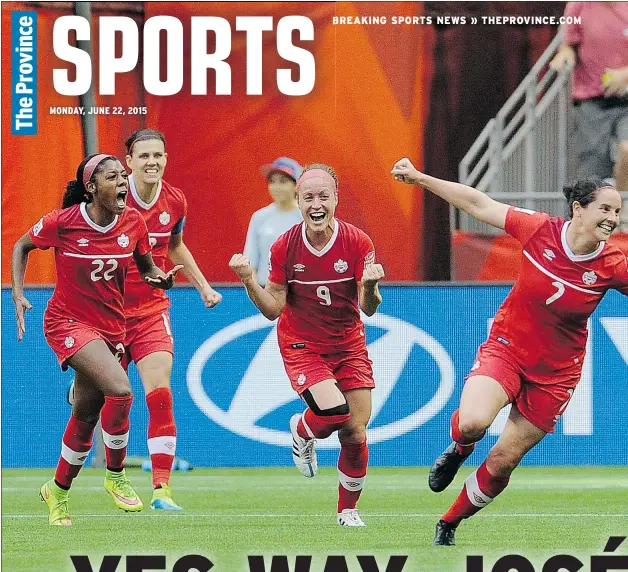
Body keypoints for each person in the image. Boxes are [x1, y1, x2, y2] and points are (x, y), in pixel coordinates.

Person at [391, 157, 628, 546]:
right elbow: (477, 203)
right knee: (472, 422)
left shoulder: (612, 264)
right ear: (578, 209)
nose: (612, 218)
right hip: (508, 348)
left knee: (504, 459)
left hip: (556, 373)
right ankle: (459, 448)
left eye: (618, 211)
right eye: (605, 208)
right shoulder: (539, 230)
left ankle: (448, 523)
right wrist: (420, 177)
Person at [11, 154, 182, 526]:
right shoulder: (64, 222)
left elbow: (146, 265)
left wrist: (159, 277)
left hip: (110, 327)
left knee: (86, 414)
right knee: (121, 390)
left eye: (123, 176)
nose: (122, 182)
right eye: (112, 177)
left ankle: (56, 493)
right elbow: (21, 246)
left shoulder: (133, 222)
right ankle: (116, 474)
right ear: (91, 187)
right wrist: (18, 292)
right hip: (67, 322)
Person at [228, 164, 385, 527]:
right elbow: (273, 310)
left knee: (356, 432)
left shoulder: (358, 242)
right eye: (308, 197)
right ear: (298, 201)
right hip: (303, 344)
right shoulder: (285, 246)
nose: (316, 203)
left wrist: (371, 287)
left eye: (323, 196)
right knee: (334, 414)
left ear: (335, 200)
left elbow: (368, 309)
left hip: (349, 344)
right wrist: (249, 280)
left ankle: (347, 511)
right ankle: (302, 430)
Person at [123, 129, 222, 511]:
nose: (152, 162)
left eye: (158, 155)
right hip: (108, 312)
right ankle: (88, 386)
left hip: (151, 310)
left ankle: (161, 491)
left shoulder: (175, 200)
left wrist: (204, 287)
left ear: (166, 159)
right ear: (129, 161)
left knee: (160, 393)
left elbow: (175, 246)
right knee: (110, 396)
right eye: (144, 155)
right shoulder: (109, 197)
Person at [550, 3, 628, 202]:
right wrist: (564, 57)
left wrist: (626, 74)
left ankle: (620, 207)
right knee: (591, 172)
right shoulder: (577, 6)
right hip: (591, 100)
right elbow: (568, 45)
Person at [244, 157, 303, 286]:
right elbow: (250, 262)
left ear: (296, 185)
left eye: (283, 181)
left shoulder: (306, 217)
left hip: (302, 293)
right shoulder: (259, 217)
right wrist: (258, 295)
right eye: (272, 181)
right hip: (268, 290)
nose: (276, 187)